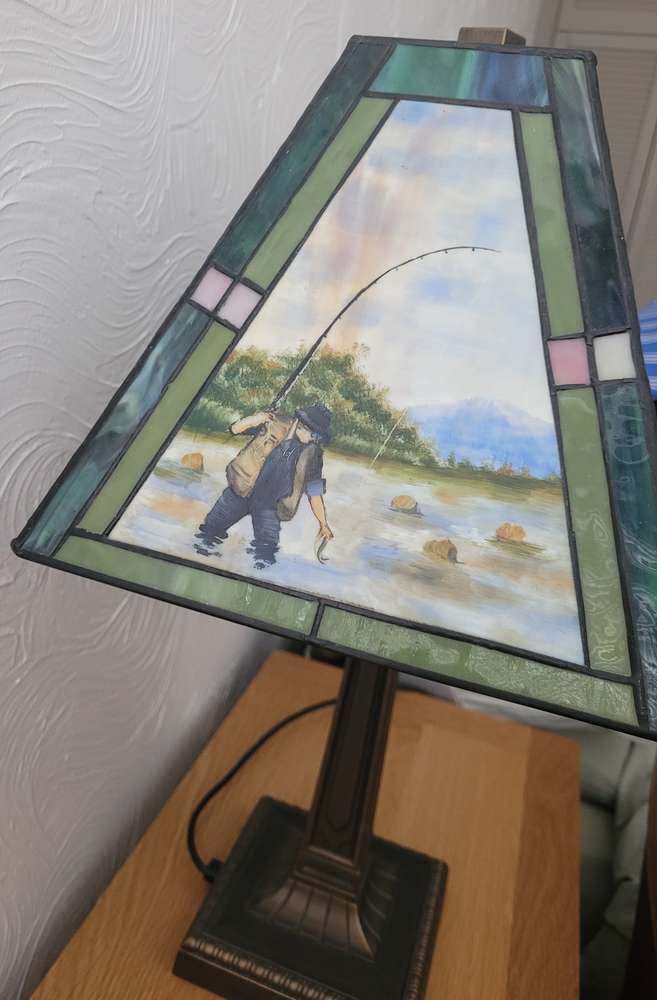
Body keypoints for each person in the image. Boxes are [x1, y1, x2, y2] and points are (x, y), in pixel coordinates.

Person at [194, 403, 333, 568]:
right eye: (314, 435)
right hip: (241, 490)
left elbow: (315, 492)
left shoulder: (313, 454)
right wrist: (256, 418)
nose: (314, 440)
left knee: (266, 553)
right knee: (208, 533)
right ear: (300, 424)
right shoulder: (272, 422)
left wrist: (323, 524)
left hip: (271, 505)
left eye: (319, 438)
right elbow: (235, 429)